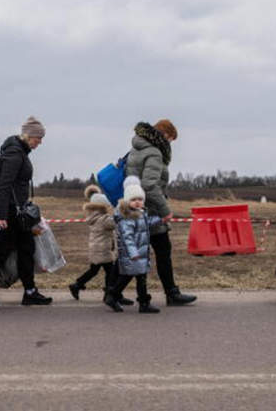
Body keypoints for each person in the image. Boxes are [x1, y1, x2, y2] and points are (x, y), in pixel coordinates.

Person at [0, 116, 53, 307]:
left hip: (19, 212)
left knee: (26, 250)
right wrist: (2, 216)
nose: (40, 142)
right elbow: (3, 186)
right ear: (29, 136)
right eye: (39, 138)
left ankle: (30, 292)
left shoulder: (19, 152)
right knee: (1, 252)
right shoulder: (14, 154)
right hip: (10, 213)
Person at [125, 119, 197, 306]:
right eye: (171, 139)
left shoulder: (137, 147)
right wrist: (165, 210)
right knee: (162, 250)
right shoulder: (154, 152)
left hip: (136, 207)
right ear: (165, 135)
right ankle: (172, 293)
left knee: (134, 251)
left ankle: (112, 292)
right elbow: (149, 185)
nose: (171, 144)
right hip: (150, 209)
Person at [104, 177, 162, 313]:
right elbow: (127, 238)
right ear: (127, 201)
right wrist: (133, 253)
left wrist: (160, 219)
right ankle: (114, 296)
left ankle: (142, 302)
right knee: (128, 277)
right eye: (134, 199)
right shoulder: (127, 218)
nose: (137, 202)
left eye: (140, 199)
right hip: (132, 254)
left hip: (140, 253)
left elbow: (146, 224)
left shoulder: (140, 214)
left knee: (140, 277)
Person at [68, 185, 132, 305]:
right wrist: (122, 211)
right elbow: (115, 223)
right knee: (110, 272)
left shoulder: (94, 217)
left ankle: (77, 285)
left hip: (98, 248)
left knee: (94, 270)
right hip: (103, 249)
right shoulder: (103, 219)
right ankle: (109, 294)